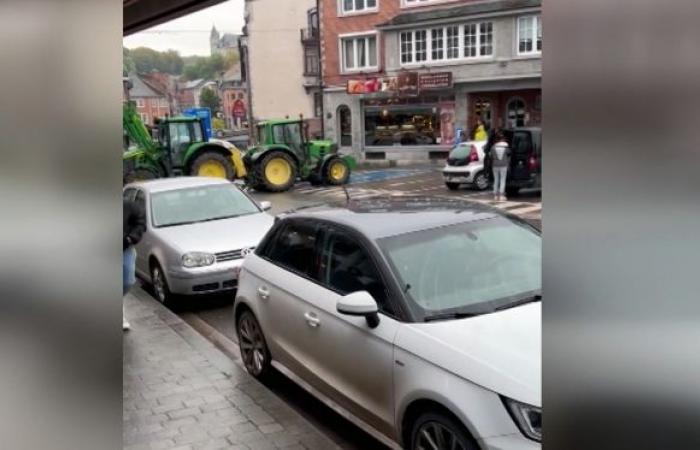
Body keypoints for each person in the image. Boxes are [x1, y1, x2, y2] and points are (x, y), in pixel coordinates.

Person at [123, 197, 146, 331]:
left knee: (128, 281)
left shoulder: (127, 204)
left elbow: (140, 221)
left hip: (124, 248)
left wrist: (131, 238)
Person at [491, 133, 511, 201]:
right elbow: (509, 154)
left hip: (495, 165)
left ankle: (495, 195)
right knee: (502, 180)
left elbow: (491, 156)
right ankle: (502, 195)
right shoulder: (506, 147)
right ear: (502, 140)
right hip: (503, 165)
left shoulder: (493, 147)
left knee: (496, 180)